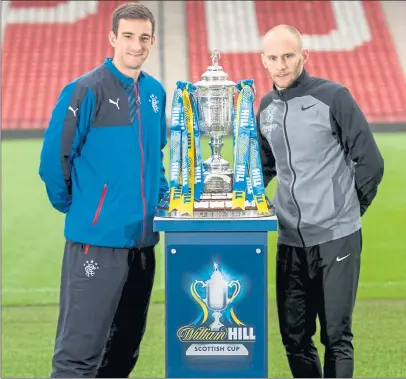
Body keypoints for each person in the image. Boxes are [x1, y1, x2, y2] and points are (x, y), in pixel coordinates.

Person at [38, 3, 168, 377]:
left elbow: (155, 158)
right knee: (79, 356)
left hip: (143, 245)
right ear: (113, 38)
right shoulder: (85, 89)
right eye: (127, 36)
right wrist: (84, 211)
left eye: (143, 37)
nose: (135, 45)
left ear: (152, 41)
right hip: (97, 243)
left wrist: (162, 198)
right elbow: (53, 160)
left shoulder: (156, 93)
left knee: (123, 352)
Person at [256, 25, 384, 378]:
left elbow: (370, 161)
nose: (281, 65)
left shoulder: (333, 97)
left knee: (336, 336)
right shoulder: (265, 108)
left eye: (288, 56)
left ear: (304, 55)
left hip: (335, 238)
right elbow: (264, 166)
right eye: (273, 58)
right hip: (290, 242)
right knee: (294, 337)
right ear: (263, 60)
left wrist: (348, 209)